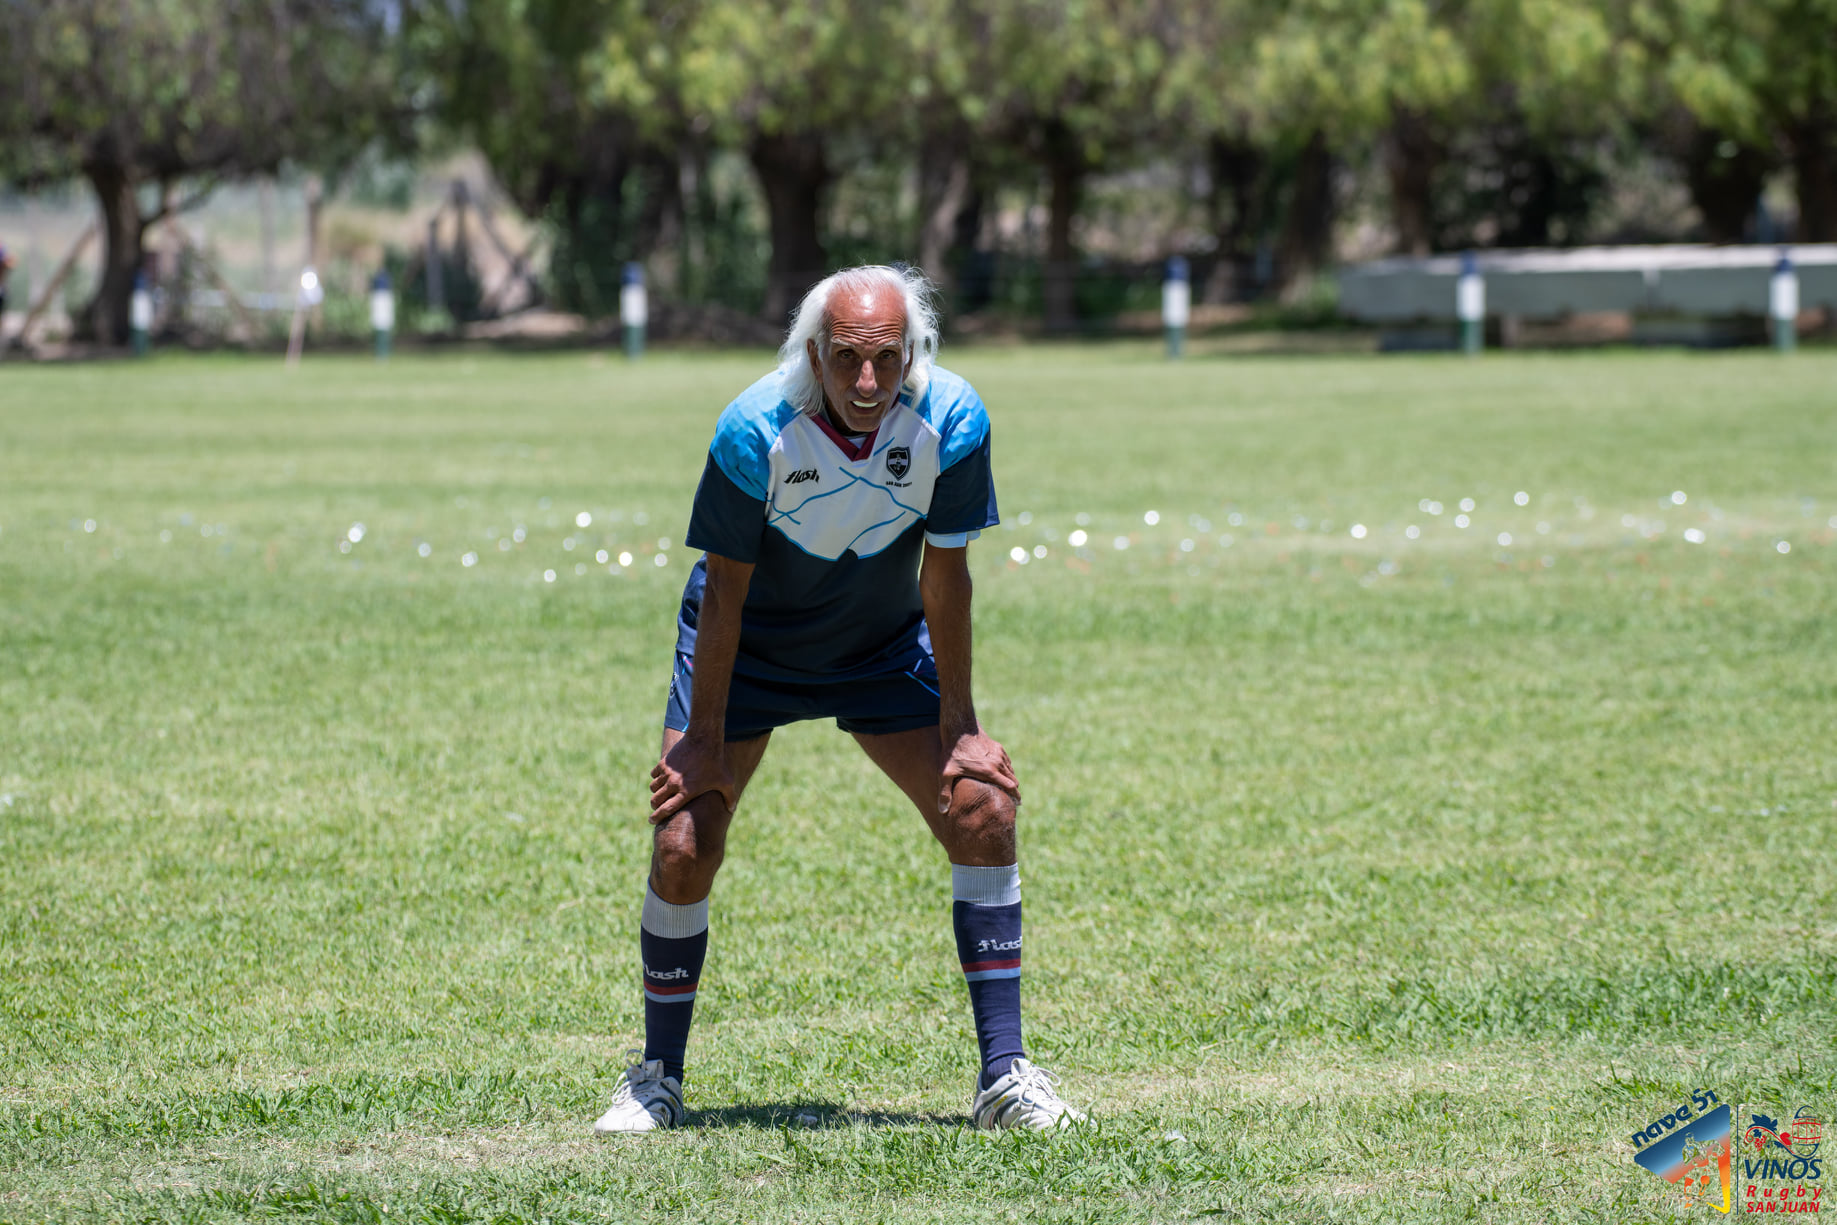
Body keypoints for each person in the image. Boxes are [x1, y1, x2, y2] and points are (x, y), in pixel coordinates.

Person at [594, 264, 1084, 1134]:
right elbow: (725, 593)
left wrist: (962, 727)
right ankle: (655, 1078)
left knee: (982, 808)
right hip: (751, 650)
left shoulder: (954, 419)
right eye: (848, 359)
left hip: (879, 645)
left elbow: (947, 572)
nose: (868, 382)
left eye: (887, 360)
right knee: (681, 838)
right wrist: (702, 739)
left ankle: (1004, 1076)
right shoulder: (753, 430)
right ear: (814, 353)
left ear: (912, 353)